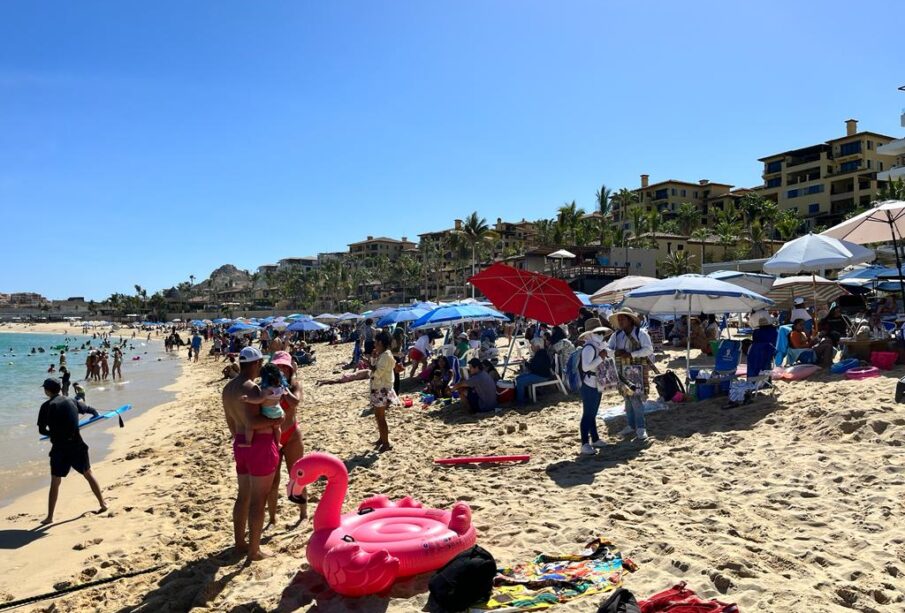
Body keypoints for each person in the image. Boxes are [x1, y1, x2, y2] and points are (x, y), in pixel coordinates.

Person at [222, 347, 282, 561]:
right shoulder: (252, 389)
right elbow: (254, 422)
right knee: (259, 499)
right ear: (256, 364)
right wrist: (276, 421)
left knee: (243, 495)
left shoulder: (228, 389)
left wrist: (241, 438)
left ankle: (240, 542)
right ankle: (254, 550)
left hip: (240, 443)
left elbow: (232, 422)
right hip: (260, 445)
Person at [37, 378, 106, 525]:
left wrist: (53, 434)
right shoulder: (72, 401)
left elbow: (42, 430)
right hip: (77, 445)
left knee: (55, 481)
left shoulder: (46, 406)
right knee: (88, 473)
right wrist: (95, 415)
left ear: (47, 390)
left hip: (59, 449)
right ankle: (103, 504)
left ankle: (49, 517)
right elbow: (90, 410)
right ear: (60, 388)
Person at [266, 351, 307, 525]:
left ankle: (303, 514)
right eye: (278, 366)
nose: (281, 370)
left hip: (291, 435)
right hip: (272, 438)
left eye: (285, 367)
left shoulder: (294, 385)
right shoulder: (265, 386)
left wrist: (283, 389)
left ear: (290, 370)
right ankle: (273, 518)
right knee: (272, 480)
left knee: (298, 475)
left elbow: (295, 402)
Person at [607, 308, 653, 441]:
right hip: (622, 370)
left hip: (637, 370)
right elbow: (608, 349)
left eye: (623, 319)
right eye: (619, 319)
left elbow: (648, 350)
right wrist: (615, 352)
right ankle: (631, 425)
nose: (620, 322)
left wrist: (632, 354)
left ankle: (640, 427)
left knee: (636, 398)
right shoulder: (616, 336)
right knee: (627, 398)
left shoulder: (641, 334)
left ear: (630, 319)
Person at [577, 318, 610, 455]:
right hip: (589, 383)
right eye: (598, 333)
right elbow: (586, 367)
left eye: (602, 333)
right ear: (590, 334)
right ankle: (585, 443)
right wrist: (601, 358)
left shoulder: (597, 346)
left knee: (593, 413)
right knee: (588, 414)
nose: (601, 335)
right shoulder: (589, 348)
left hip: (597, 382)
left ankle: (595, 439)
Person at [238, 363, 286, 449]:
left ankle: (248, 442)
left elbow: (259, 400)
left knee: (250, 427)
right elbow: (281, 398)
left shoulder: (266, 389)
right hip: (278, 411)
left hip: (268, 412)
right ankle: (278, 443)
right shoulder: (280, 387)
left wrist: (248, 399)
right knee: (277, 428)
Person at [370, 331, 398, 452]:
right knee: (378, 416)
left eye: (376, 342)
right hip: (378, 389)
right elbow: (376, 369)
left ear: (380, 342)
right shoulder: (383, 354)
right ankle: (382, 438)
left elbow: (377, 373)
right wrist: (372, 358)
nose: (374, 344)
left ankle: (386, 443)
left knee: (381, 417)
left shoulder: (386, 355)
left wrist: (368, 363)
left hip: (381, 390)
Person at [514, 336, 554, 405]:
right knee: (517, 378)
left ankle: (520, 402)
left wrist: (525, 363)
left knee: (520, 381)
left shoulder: (540, 354)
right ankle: (521, 398)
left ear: (537, 346)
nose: (531, 347)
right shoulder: (541, 352)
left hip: (541, 376)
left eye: (532, 345)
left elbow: (533, 367)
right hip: (540, 374)